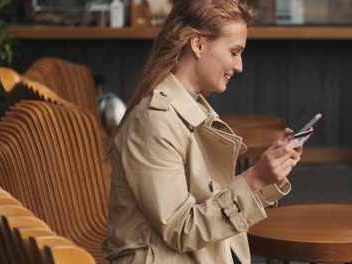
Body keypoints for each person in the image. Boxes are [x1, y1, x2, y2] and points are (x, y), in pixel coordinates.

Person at [102, 0, 305, 263]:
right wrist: (255, 178)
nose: (240, 66)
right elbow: (181, 230)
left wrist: (265, 177)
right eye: (234, 52)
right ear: (198, 45)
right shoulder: (153, 121)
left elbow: (207, 202)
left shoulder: (191, 109)